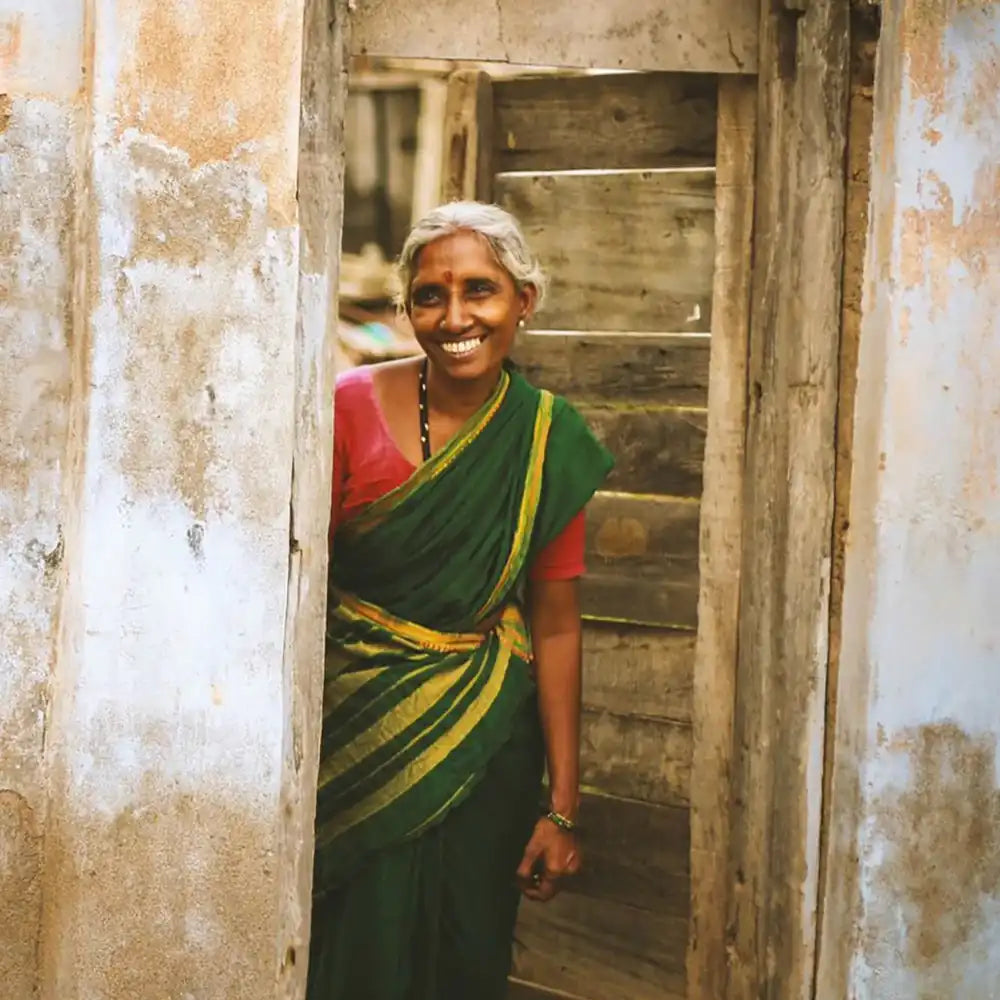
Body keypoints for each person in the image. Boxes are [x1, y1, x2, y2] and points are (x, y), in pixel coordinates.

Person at [307, 201, 613, 1000]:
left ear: (524, 301)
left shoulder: (548, 437)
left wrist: (563, 808)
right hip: (353, 729)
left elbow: (555, 624)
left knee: (464, 954)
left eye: (480, 290)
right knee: (349, 947)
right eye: (431, 296)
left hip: (485, 745)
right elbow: (295, 581)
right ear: (407, 307)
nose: (456, 317)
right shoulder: (344, 408)